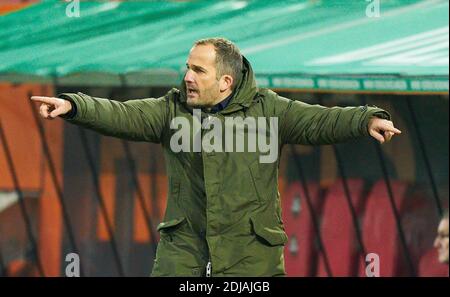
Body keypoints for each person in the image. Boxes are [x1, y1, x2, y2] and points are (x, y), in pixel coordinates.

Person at [31, 37, 401, 277]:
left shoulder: (268, 110)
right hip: (184, 254)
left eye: (198, 70)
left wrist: (366, 119)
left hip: (252, 259)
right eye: (187, 67)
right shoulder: (171, 110)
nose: (187, 76)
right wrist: (74, 105)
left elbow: (321, 120)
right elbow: (122, 114)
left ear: (225, 81)